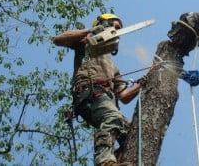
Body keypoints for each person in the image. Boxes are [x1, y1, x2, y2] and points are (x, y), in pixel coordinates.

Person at [53, 13, 144, 166]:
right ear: (102, 24)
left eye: (119, 30)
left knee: (131, 132)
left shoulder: (113, 67)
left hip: (105, 101)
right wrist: (92, 31)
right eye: (114, 27)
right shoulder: (87, 43)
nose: (117, 32)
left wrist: (141, 84)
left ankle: (118, 158)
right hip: (90, 94)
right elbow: (58, 39)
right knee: (114, 118)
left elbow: (123, 96)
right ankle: (104, 161)